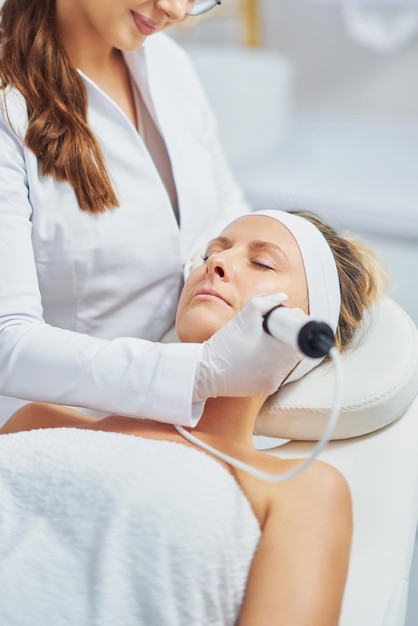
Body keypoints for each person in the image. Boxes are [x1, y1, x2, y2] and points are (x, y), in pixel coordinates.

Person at [0, 209, 388, 625]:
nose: (214, 265)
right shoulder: (39, 420)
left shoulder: (298, 491)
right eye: (210, 253)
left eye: (262, 262)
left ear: (305, 329)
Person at [0, 0, 297, 428]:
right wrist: (193, 374)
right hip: (47, 432)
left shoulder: (168, 64)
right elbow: (8, 339)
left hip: (174, 425)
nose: (175, 10)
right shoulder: (10, 109)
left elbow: (227, 214)